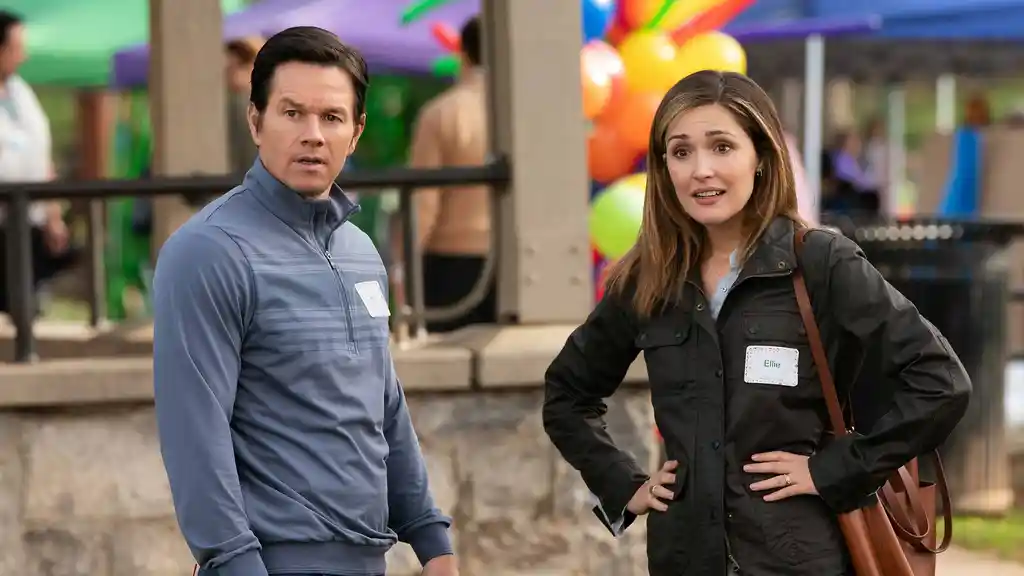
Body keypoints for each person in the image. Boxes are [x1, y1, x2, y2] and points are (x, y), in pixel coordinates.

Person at [541, 71, 970, 576]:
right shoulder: (648, 278)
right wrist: (623, 484)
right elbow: (567, 394)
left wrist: (837, 468)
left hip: (797, 559)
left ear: (761, 157)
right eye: (681, 152)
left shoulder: (821, 262)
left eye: (722, 147)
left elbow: (941, 382)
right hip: (684, 558)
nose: (701, 170)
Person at [152, 27, 458, 576]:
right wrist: (236, 564)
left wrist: (433, 542)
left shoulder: (360, 251)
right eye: (292, 113)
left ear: (356, 132)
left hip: (369, 560)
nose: (313, 135)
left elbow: (384, 407)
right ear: (255, 121)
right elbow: (195, 435)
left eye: (332, 117)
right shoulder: (207, 252)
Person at [394, 15, 494, 333]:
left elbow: (423, 203)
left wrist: (401, 269)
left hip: (452, 265)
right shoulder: (529, 114)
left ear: (463, 54)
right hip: (521, 262)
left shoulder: (443, 113)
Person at [0, 9, 75, 314]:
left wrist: (53, 216)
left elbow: (42, 156)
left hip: (27, 224)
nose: (24, 56)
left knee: (27, 307)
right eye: (16, 48)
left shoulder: (21, 93)